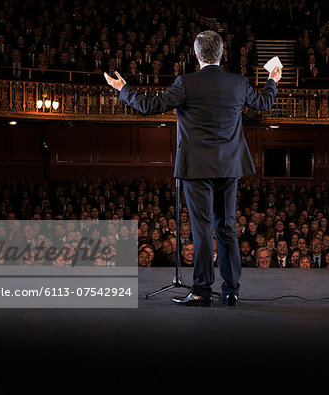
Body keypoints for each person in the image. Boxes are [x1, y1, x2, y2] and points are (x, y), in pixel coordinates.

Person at [105, 30, 280, 307]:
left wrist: (123, 89)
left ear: (196, 55)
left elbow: (150, 106)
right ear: (221, 54)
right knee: (227, 227)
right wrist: (273, 78)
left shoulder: (185, 83)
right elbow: (264, 102)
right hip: (230, 166)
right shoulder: (239, 82)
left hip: (196, 167)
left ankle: (201, 290)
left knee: (202, 228)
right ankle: (232, 290)